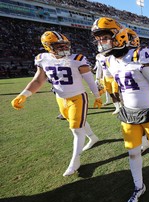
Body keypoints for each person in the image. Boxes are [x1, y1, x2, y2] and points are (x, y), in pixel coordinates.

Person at [91, 17, 149, 202]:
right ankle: (139, 187)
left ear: (118, 36)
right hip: (128, 113)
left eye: (105, 37)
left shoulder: (141, 54)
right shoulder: (110, 60)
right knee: (133, 151)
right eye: (98, 39)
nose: (101, 42)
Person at [11, 31, 102, 176]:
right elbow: (39, 80)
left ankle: (75, 161)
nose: (63, 48)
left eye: (64, 45)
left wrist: (97, 95)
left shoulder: (78, 59)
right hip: (60, 98)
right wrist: (24, 94)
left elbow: (90, 79)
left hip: (77, 97)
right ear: (48, 46)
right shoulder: (42, 58)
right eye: (58, 46)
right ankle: (93, 137)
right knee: (78, 122)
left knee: (76, 129)